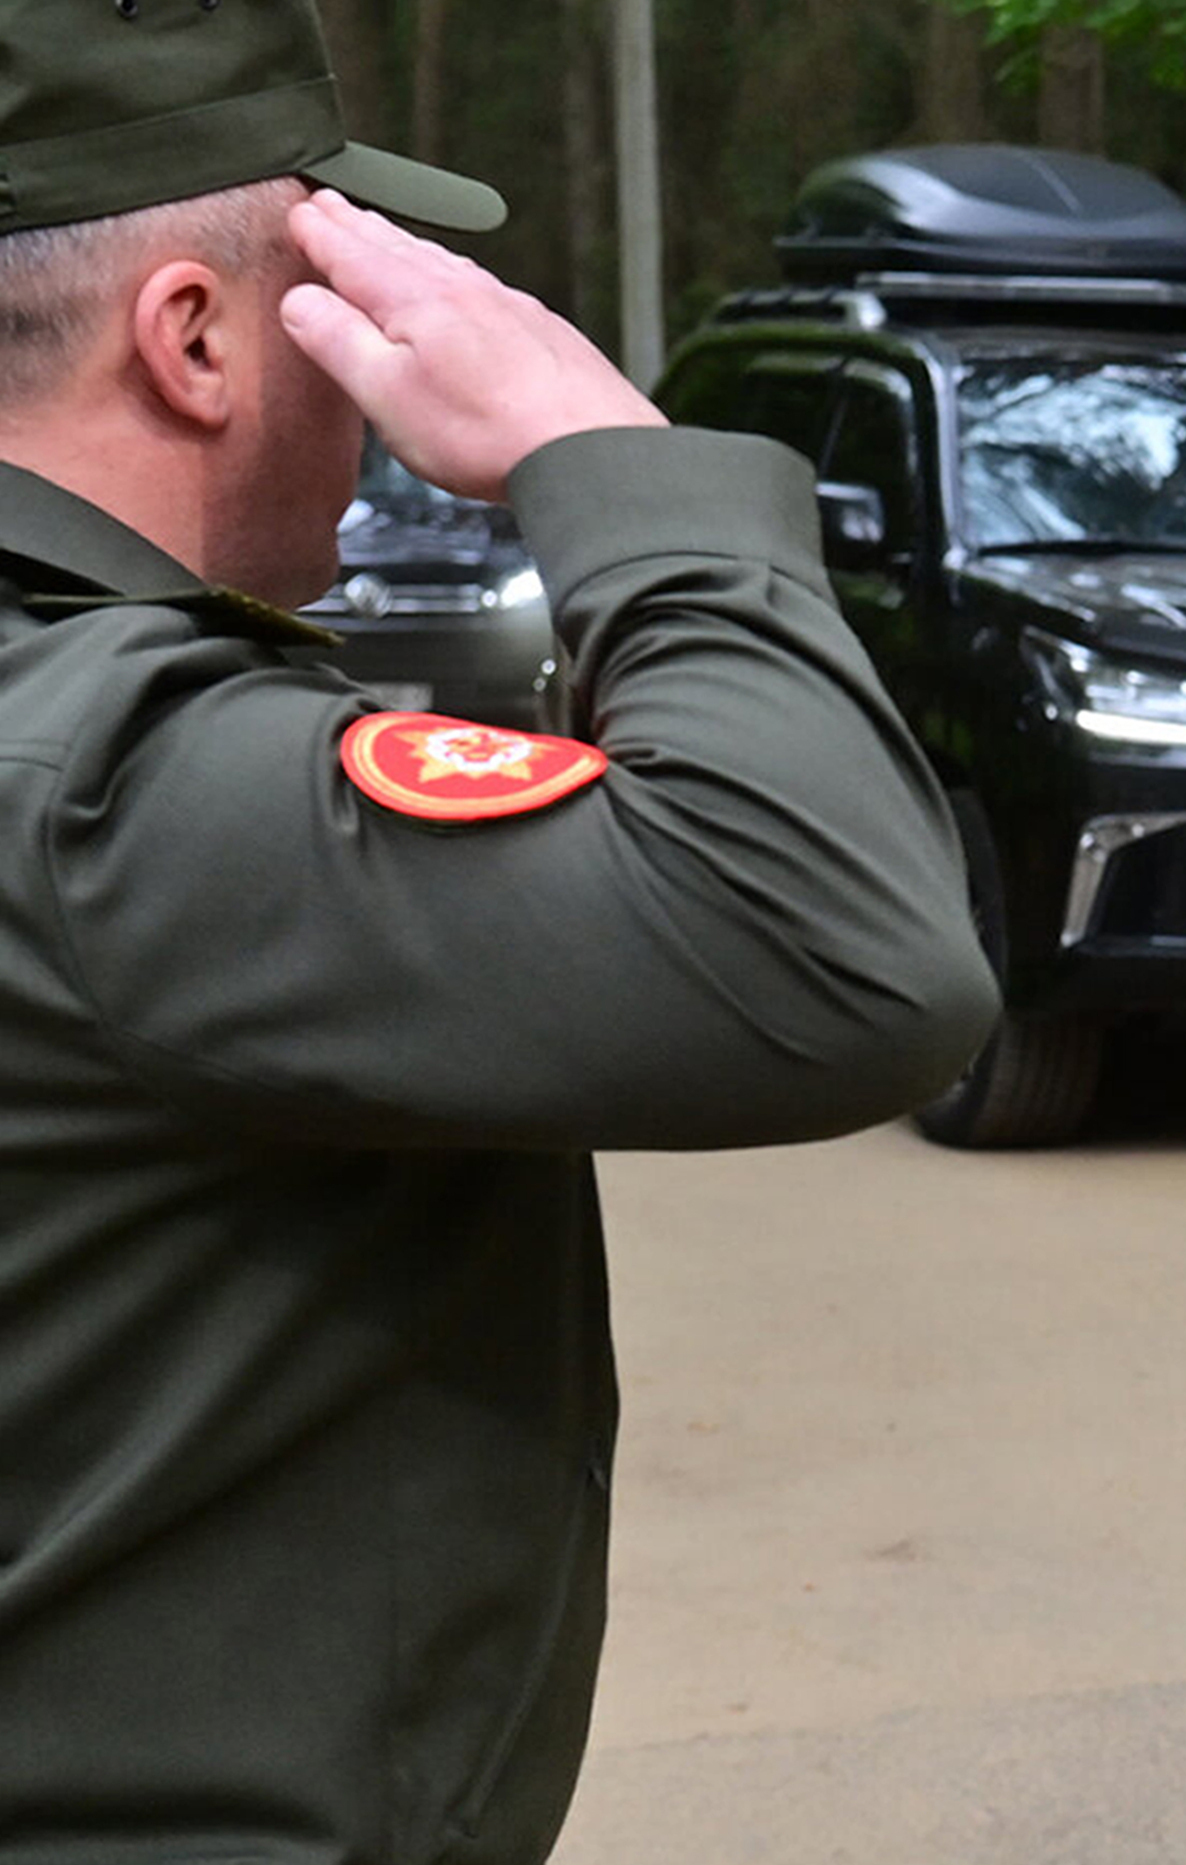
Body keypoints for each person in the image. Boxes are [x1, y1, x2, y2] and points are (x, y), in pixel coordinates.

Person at [0, 4, 1001, 1859]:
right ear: (197, 338)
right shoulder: (109, 782)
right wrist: (608, 456)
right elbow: (846, 950)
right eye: (335, 265)